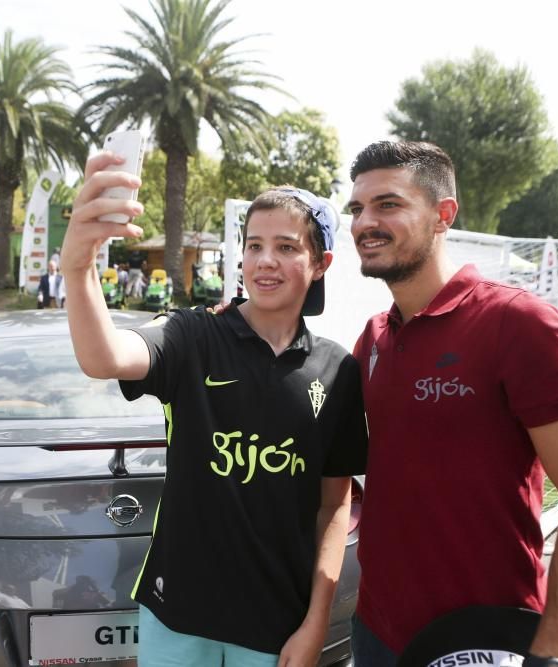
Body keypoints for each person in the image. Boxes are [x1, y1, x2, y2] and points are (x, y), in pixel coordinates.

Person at [60, 152, 367, 667]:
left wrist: (316, 621)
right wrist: (78, 266)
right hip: (176, 611)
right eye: (254, 245)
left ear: (320, 264)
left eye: (286, 247)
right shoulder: (192, 334)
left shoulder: (337, 369)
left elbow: (334, 507)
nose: (265, 260)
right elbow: (104, 357)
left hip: (276, 623)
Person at [345, 140, 558, 666]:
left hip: (485, 641)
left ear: (443, 214)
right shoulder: (375, 337)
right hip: (376, 632)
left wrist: (554, 656)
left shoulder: (520, 325)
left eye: (388, 204)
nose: (365, 222)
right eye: (358, 207)